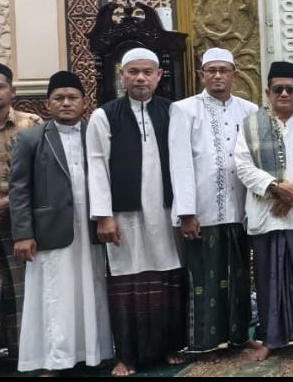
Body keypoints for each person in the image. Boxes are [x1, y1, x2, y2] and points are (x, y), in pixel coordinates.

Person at [87, 48, 186, 376]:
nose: (140, 78)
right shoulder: (104, 116)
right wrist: (104, 215)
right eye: (133, 72)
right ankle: (126, 355)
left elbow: (184, 163)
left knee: (167, 274)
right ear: (122, 75)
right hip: (124, 215)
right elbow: (97, 167)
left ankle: (169, 346)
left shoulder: (173, 112)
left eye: (147, 72)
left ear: (159, 76)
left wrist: (186, 210)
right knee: (126, 279)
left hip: (165, 212)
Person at [10, 71, 112, 375]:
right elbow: (19, 189)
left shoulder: (96, 134)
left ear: (84, 102)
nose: (66, 103)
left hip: (90, 227)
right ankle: (52, 360)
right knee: (54, 294)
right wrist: (23, 234)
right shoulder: (30, 138)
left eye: (72, 97)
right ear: (48, 104)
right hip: (49, 230)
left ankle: (93, 353)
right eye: (59, 98)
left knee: (91, 289)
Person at [169, 48, 258, 363]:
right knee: (204, 281)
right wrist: (187, 212)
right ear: (202, 75)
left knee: (238, 277)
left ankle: (238, 337)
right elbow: (180, 163)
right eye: (211, 70)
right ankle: (203, 344)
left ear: (235, 74)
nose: (218, 76)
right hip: (202, 211)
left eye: (224, 70)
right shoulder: (184, 110)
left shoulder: (249, 110)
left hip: (240, 209)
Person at [234, 61, 293, 361]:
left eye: (290, 89)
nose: (284, 94)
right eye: (278, 89)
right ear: (267, 92)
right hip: (266, 215)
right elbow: (243, 166)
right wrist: (275, 187)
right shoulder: (250, 125)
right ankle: (270, 339)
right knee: (268, 280)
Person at [0, 62, 41, 361]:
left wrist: (7, 203)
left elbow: (42, 174)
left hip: (19, 217)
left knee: (20, 285)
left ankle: (22, 351)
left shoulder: (31, 124)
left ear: (12, 91)